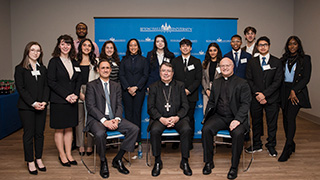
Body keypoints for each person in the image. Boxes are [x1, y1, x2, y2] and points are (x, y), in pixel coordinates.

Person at [85, 60, 139, 178]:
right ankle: (103, 161)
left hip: (114, 118)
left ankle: (118, 159)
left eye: (107, 68)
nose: (105, 70)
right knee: (100, 134)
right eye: (103, 68)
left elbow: (119, 105)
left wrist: (117, 119)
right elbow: (91, 107)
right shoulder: (91, 85)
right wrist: (105, 121)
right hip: (97, 119)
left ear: (110, 70)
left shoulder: (116, 85)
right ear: (98, 70)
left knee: (134, 129)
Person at [202, 57, 251, 179]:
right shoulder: (216, 82)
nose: (224, 68)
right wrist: (207, 116)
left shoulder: (242, 83)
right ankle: (208, 162)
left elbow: (246, 104)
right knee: (206, 130)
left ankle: (234, 166)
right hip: (219, 117)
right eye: (222, 66)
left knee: (238, 133)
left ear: (233, 66)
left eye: (227, 65)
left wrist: (238, 120)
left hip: (236, 117)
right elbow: (212, 102)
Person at [148, 62, 192, 176]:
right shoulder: (153, 87)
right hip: (160, 118)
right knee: (155, 131)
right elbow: (150, 108)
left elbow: (185, 106)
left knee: (186, 129)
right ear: (159, 72)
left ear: (172, 73)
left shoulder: (180, 85)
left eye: (168, 71)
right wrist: (161, 118)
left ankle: (185, 161)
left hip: (178, 117)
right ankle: (157, 161)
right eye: (163, 71)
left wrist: (177, 117)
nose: (166, 73)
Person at [14, 42, 49, 175]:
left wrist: (44, 102)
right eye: (33, 50)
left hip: (42, 106)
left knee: (40, 134)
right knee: (29, 135)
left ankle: (39, 158)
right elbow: (20, 89)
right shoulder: (20, 69)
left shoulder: (43, 68)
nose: (35, 53)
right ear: (27, 51)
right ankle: (30, 161)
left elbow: (46, 87)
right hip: (26, 107)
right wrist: (33, 103)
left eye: (38, 50)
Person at [47, 34, 82, 167]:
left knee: (69, 129)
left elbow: (78, 80)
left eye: (68, 44)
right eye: (63, 44)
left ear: (71, 46)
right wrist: (67, 95)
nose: (65, 46)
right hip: (59, 101)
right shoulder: (54, 62)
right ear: (58, 45)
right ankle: (62, 155)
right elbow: (51, 82)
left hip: (72, 100)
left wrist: (75, 94)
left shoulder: (74, 62)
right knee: (59, 129)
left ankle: (69, 154)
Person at [245, 36, 283, 157]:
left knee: (272, 123)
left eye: (265, 44)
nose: (262, 47)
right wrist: (258, 94)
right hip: (256, 98)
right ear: (257, 47)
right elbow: (249, 80)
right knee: (256, 122)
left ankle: (271, 145)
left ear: (269, 46)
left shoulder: (277, 62)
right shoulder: (252, 62)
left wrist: (265, 94)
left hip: (271, 98)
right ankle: (256, 144)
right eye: (260, 45)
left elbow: (278, 81)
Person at [278, 36, 311, 162]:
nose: (292, 46)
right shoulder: (283, 60)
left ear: (298, 45)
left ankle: (287, 147)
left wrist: (294, 91)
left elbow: (306, 78)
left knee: (291, 117)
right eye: (290, 44)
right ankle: (291, 142)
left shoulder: (305, 59)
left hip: (297, 92)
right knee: (285, 118)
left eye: (294, 44)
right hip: (284, 91)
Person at [171, 39, 202, 149]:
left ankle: (189, 141)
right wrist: (180, 91)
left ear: (191, 48)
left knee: (190, 118)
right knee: (176, 117)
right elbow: (171, 78)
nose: (185, 48)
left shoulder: (196, 61)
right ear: (180, 48)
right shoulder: (174, 61)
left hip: (191, 95)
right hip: (176, 96)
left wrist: (189, 90)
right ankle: (176, 141)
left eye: (187, 46)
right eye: (183, 46)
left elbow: (198, 79)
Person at [119, 38, 149, 145]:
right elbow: (121, 75)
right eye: (131, 45)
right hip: (126, 91)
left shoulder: (144, 60)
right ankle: (129, 138)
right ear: (128, 47)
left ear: (138, 47)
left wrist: (136, 87)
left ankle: (137, 139)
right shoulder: (123, 60)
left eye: (135, 45)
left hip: (139, 91)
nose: (133, 47)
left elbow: (145, 75)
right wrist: (128, 88)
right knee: (128, 114)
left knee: (137, 114)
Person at [75, 38, 99, 156]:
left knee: (91, 119)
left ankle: (90, 145)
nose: (87, 47)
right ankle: (80, 145)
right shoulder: (75, 61)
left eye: (89, 46)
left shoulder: (96, 62)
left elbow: (98, 80)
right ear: (80, 47)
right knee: (80, 120)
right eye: (84, 45)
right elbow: (72, 80)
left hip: (92, 92)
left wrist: (90, 95)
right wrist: (79, 94)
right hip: (78, 91)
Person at [202, 43, 222, 114]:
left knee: (218, 111)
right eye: (210, 51)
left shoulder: (221, 63)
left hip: (219, 89)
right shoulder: (205, 63)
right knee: (206, 111)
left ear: (217, 51)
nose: (212, 52)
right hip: (207, 89)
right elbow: (203, 78)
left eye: (214, 50)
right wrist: (207, 89)